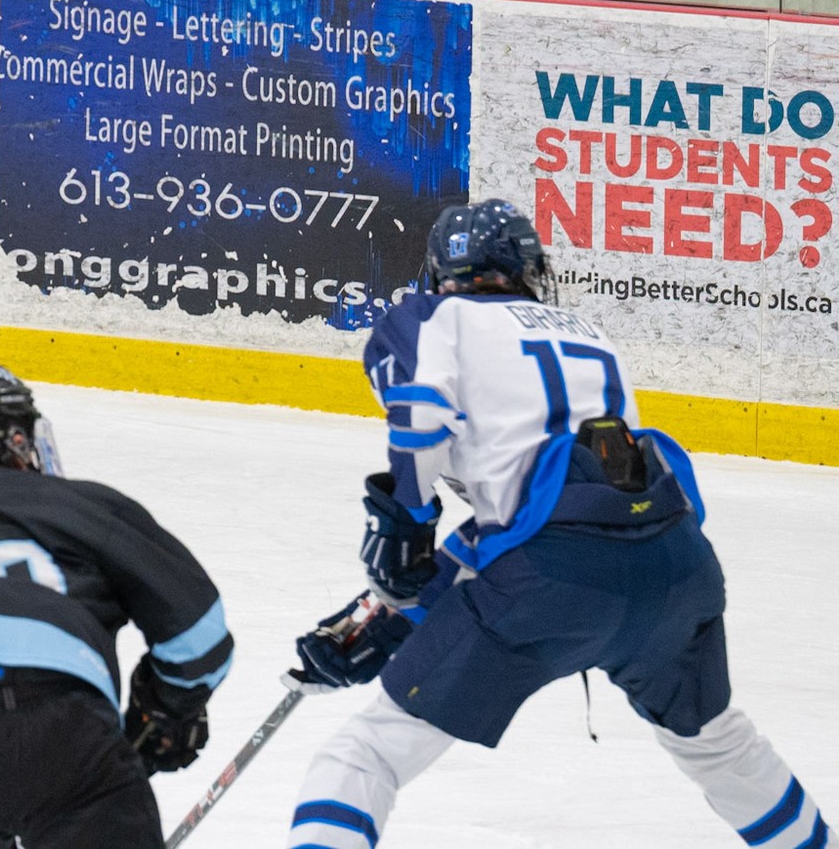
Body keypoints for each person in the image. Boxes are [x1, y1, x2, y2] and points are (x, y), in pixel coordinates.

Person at [284, 200, 826, 848]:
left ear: (438, 273)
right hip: (676, 567)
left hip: (550, 585)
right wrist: (391, 615)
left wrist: (406, 521)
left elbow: (425, 422)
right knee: (719, 744)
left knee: (367, 753)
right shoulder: (590, 335)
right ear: (526, 268)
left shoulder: (430, 319)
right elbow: (561, 504)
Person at [0, 360, 234, 848]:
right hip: (59, 729)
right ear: (16, 437)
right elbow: (198, 635)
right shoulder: (78, 506)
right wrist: (163, 710)